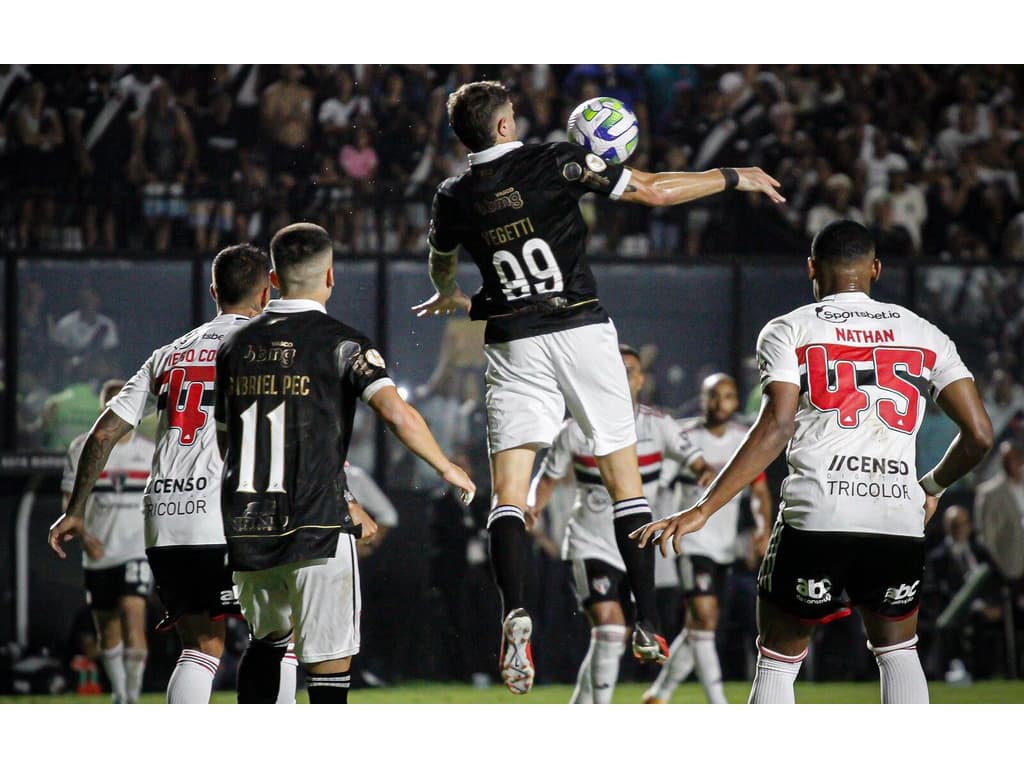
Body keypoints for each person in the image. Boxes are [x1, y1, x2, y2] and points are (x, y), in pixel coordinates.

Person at [412, 79, 784, 694]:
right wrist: (732, 175)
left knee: (510, 494)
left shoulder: (452, 195)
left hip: (511, 338)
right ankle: (647, 619)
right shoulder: (554, 159)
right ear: (504, 127)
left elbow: (440, 260)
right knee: (625, 484)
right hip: (580, 329)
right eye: (513, 114)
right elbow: (655, 191)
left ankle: (513, 610)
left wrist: (449, 289)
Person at [633, 219, 994, 704]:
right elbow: (979, 435)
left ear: (811, 268)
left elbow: (777, 426)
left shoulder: (790, 328)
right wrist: (930, 487)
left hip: (818, 515)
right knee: (898, 651)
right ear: (876, 269)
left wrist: (703, 508)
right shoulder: (924, 333)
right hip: (895, 515)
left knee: (779, 661)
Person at [216, 222, 475, 704]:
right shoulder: (343, 343)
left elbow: (226, 441)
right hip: (316, 525)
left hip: (249, 523)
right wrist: (445, 466)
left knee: (265, 644)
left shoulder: (234, 346)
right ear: (330, 276)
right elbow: (397, 413)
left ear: (272, 279)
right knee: (329, 667)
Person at [48, 243, 292, 704]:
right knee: (282, 639)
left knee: (199, 649)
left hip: (167, 517)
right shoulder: (268, 348)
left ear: (214, 291)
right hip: (237, 514)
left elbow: (102, 435)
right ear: (267, 292)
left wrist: (74, 511)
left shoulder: (167, 354)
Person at [528, 344, 712, 703]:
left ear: (640, 379)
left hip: (638, 551)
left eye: (630, 370)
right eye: (616, 369)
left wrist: (705, 478)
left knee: (608, 640)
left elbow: (698, 464)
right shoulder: (576, 429)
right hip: (589, 543)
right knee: (611, 628)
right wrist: (532, 506)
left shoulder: (660, 426)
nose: (622, 377)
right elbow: (547, 478)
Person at [643, 372, 772, 704]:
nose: (720, 403)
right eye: (713, 396)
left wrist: (762, 526)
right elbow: (661, 486)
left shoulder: (745, 437)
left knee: (700, 624)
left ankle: (660, 692)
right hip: (692, 541)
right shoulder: (685, 437)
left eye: (728, 396)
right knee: (705, 615)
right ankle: (718, 702)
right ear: (702, 399)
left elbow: (758, 490)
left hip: (725, 545)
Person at [60, 378, 155, 703]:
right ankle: (119, 692)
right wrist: (84, 537)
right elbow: (70, 501)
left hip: (136, 550)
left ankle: (132, 696)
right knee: (107, 628)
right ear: (102, 409)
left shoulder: (150, 452)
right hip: (99, 549)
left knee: (133, 610)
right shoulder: (81, 448)